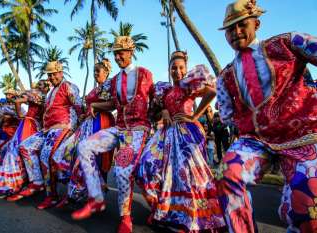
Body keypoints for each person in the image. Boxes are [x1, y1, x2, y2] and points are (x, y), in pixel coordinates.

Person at [216, 1, 317, 232]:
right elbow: (225, 115)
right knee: (227, 175)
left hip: (301, 136)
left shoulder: (289, 43)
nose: (236, 32)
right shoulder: (225, 76)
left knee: (309, 207)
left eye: (242, 25)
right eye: (230, 29)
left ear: (257, 23)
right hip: (256, 140)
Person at [71, 36, 154, 233]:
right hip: (119, 127)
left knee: (123, 171)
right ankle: (96, 198)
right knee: (84, 146)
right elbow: (113, 104)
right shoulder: (114, 80)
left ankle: (125, 218)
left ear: (131, 52)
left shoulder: (144, 73)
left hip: (137, 128)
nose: (118, 57)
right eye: (115, 53)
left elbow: (154, 98)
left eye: (121, 52)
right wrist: (97, 105)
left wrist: (164, 113)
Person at [136, 51, 225, 232]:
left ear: (186, 69)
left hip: (187, 134)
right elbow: (155, 112)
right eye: (174, 68)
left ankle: (191, 218)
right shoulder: (165, 90)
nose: (177, 71)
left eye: (181, 67)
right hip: (167, 135)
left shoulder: (188, 85)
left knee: (187, 177)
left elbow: (212, 91)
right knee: (146, 165)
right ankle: (166, 210)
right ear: (169, 70)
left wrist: (195, 116)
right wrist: (165, 112)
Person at [16, 61, 82, 209]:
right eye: (49, 75)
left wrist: (76, 129)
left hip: (63, 127)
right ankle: (37, 181)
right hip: (47, 129)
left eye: (54, 74)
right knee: (25, 147)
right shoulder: (51, 92)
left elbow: (78, 107)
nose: (52, 77)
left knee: (45, 156)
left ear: (61, 73)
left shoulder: (69, 86)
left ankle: (51, 196)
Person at [53, 58, 115, 206]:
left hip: (101, 121)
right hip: (88, 122)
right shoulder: (98, 88)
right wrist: (84, 114)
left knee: (96, 158)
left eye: (97, 71)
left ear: (106, 72)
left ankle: (93, 195)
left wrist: (94, 106)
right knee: (69, 152)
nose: (95, 74)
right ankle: (80, 192)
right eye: (93, 71)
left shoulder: (109, 85)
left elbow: (112, 105)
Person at [0, 80, 49, 197]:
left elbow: (18, 101)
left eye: (41, 85)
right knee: (21, 151)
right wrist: (20, 115)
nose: (39, 87)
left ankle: (20, 183)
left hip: (30, 124)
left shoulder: (38, 95)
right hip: (33, 125)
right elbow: (18, 101)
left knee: (19, 150)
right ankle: (20, 183)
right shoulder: (43, 96)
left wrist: (21, 115)